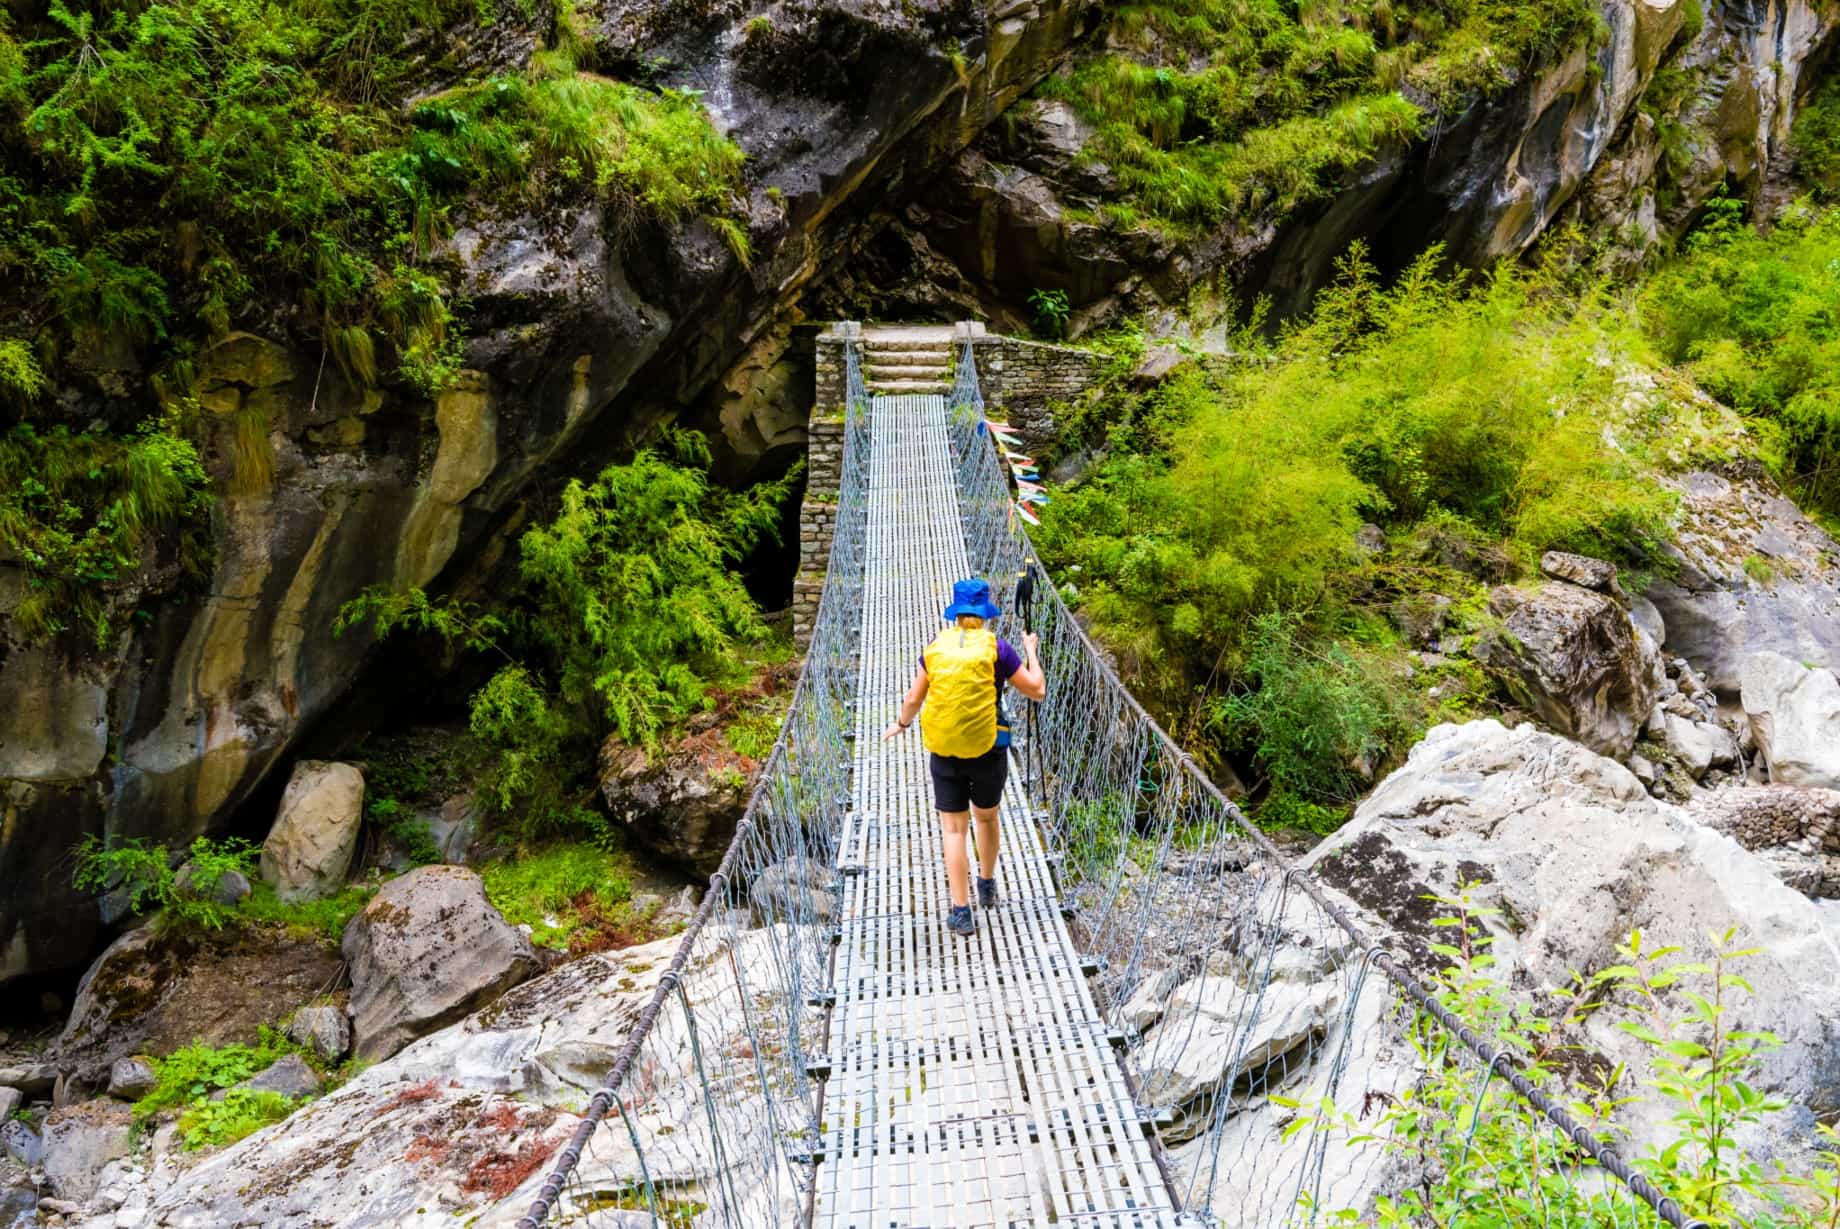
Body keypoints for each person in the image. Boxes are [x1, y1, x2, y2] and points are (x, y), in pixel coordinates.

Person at [883, 577, 1045, 937]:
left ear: (956, 614)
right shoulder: (999, 650)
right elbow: (1037, 690)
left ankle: (960, 912)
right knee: (986, 819)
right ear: (985, 614)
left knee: (954, 830)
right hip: (988, 751)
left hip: (945, 752)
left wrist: (901, 724)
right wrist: (1031, 650)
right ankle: (986, 884)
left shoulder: (934, 649)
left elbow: (913, 699)